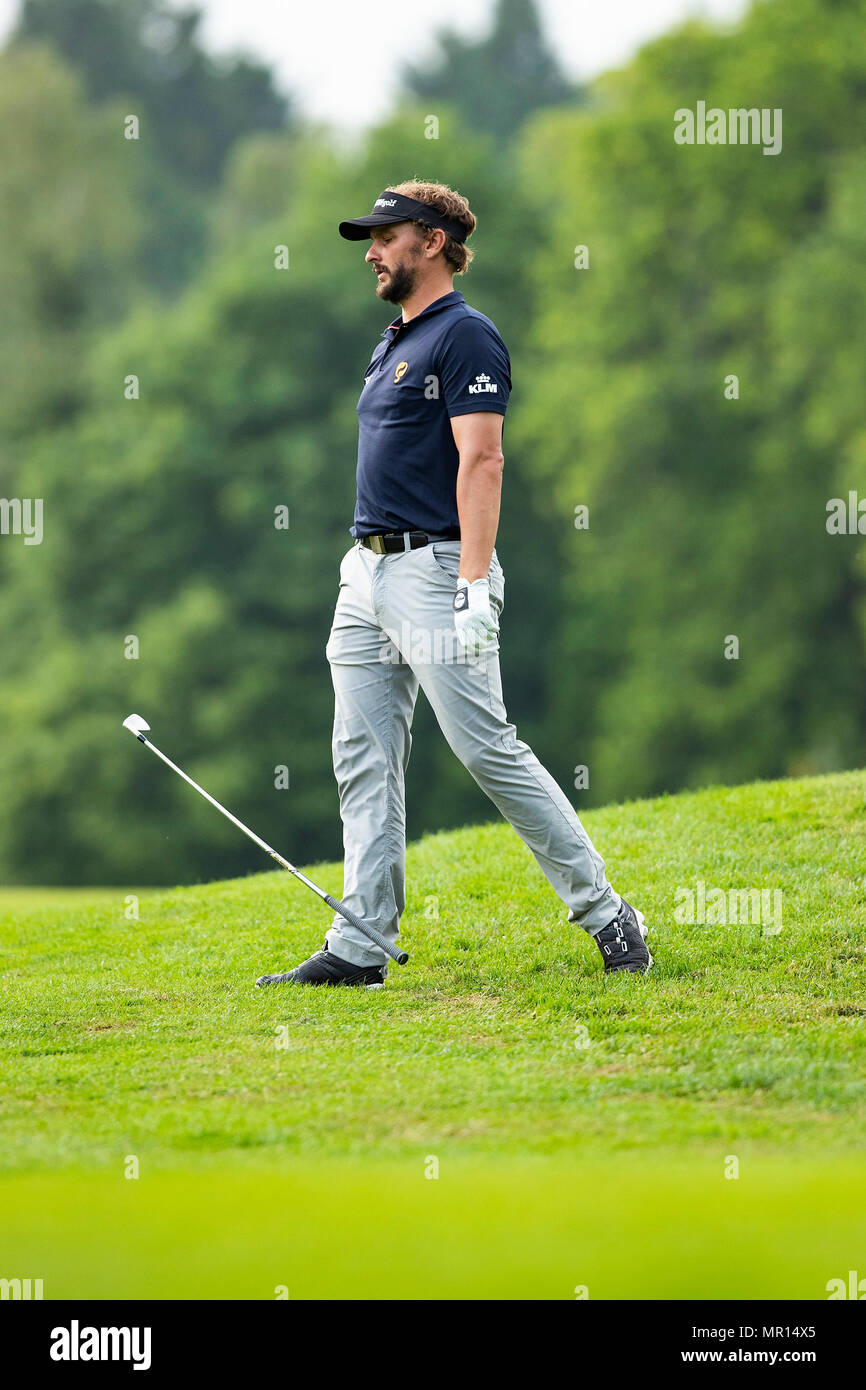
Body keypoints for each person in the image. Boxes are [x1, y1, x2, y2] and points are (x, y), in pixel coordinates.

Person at [256, 181, 652, 988]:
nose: (371, 250)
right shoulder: (392, 339)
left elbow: (483, 459)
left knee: (485, 749)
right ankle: (361, 945)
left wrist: (474, 583)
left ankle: (608, 915)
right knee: (362, 756)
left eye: (385, 236)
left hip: (437, 573)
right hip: (364, 573)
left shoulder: (464, 336)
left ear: (432, 242)